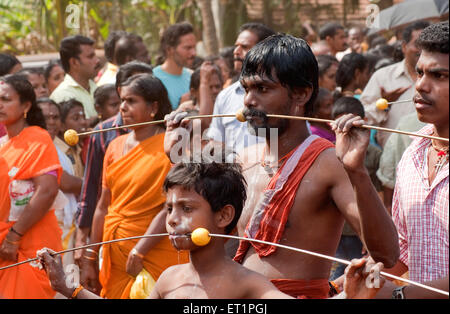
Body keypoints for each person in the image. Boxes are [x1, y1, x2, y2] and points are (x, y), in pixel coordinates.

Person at [165, 34, 399, 299]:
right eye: (246, 89)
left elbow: (387, 254)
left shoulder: (328, 163)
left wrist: (356, 172)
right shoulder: (244, 160)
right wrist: (177, 155)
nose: (249, 101)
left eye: (262, 89)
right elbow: (213, 237)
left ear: (301, 93)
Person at [38, 161, 385, 300]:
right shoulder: (169, 279)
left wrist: (349, 296)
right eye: (169, 209)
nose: (173, 220)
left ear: (224, 216)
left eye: (188, 209)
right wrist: (69, 289)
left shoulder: (245, 283)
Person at [332, 21, 449, 299]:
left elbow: (398, 291)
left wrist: (399, 296)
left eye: (439, 75)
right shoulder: (412, 154)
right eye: (419, 73)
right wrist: (346, 287)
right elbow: (402, 253)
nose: (420, 85)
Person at [80, 74, 187, 299]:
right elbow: (103, 206)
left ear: (153, 106)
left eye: (131, 101)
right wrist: (90, 255)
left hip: (155, 252)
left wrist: (141, 250)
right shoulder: (114, 145)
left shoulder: (171, 146)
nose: (123, 108)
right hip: (116, 255)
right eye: (121, 101)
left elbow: (170, 207)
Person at [75, 61, 153, 262]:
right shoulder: (103, 133)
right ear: (120, 92)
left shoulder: (168, 135)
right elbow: (92, 189)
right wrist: (84, 242)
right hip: (114, 234)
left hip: (154, 235)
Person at [0, 74, 62, 298]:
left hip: (29, 243)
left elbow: (47, 191)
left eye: (6, 99)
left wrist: (14, 236)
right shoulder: (3, 145)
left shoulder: (37, 138)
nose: (0, 105)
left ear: (26, 105)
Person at [329, 96, 382, 281]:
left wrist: (371, 235)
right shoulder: (328, 154)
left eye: (353, 125)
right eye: (342, 126)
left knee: (361, 276)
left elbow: (378, 191)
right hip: (337, 230)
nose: (348, 131)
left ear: (363, 123)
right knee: (335, 278)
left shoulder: (374, 154)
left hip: (361, 230)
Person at [205, 23, 275, 154]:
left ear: (265, 51)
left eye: (244, 47)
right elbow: (216, 141)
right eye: (236, 46)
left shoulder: (281, 94)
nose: (236, 51)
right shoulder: (225, 96)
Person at [360, 21, 430, 147]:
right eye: (418, 44)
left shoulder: (443, 79)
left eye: (428, 45)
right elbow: (362, 117)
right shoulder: (382, 77)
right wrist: (383, 105)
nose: (423, 50)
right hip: (392, 155)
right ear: (404, 47)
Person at [37, 98, 82, 268]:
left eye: (55, 117)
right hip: (47, 226)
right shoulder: (37, 146)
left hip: (65, 226)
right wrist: (92, 185)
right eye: (45, 117)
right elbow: (64, 183)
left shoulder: (55, 147)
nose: (51, 122)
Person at [50, 35, 101, 125]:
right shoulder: (62, 95)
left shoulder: (95, 87)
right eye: (90, 57)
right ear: (74, 62)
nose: (97, 60)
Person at [153, 22, 196, 109]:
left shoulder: (193, 76)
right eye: (188, 48)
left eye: (194, 47)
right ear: (169, 50)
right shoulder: (153, 79)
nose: (193, 53)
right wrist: (180, 108)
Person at [54, 98, 88, 179]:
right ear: (61, 126)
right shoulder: (55, 151)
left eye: (84, 117)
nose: (83, 122)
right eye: (76, 118)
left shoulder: (80, 146)